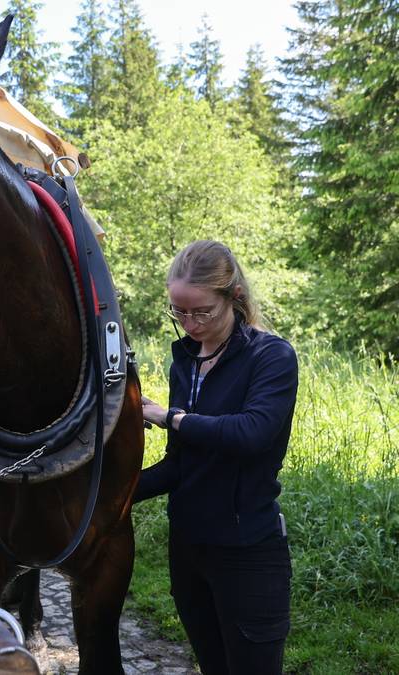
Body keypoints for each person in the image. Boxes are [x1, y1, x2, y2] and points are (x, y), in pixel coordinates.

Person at [136, 240, 298, 674]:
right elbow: (181, 465)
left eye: (201, 311)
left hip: (247, 553)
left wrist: (171, 417)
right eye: (179, 311)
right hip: (188, 549)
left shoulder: (271, 356)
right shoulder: (185, 363)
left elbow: (252, 433)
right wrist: (105, 495)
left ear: (235, 298)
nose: (189, 323)